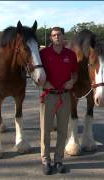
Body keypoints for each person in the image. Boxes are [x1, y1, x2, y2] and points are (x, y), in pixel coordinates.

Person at [39, 27, 78, 175]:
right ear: (50, 38)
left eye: (59, 35)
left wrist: (72, 81)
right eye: (54, 35)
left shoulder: (70, 54)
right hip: (48, 96)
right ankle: (45, 160)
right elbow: (33, 70)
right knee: (46, 130)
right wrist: (42, 83)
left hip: (65, 96)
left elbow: (75, 73)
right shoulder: (43, 54)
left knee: (62, 130)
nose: (56, 37)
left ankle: (59, 160)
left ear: (63, 37)